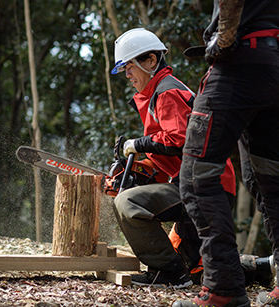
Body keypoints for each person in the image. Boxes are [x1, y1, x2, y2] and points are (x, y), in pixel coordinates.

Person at [110, 28, 238, 289]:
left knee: (128, 203)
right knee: (197, 269)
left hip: (205, 187)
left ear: (151, 61)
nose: (128, 75)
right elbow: (170, 155)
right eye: (124, 69)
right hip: (196, 184)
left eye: (130, 66)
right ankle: (260, 267)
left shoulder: (167, 92)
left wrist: (138, 144)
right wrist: (139, 171)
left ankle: (168, 275)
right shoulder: (157, 94)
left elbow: (177, 139)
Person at [172, 0, 279, 306]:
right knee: (269, 179)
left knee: (196, 177)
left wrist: (224, 40)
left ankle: (223, 289)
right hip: (273, 63)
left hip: (241, 59)